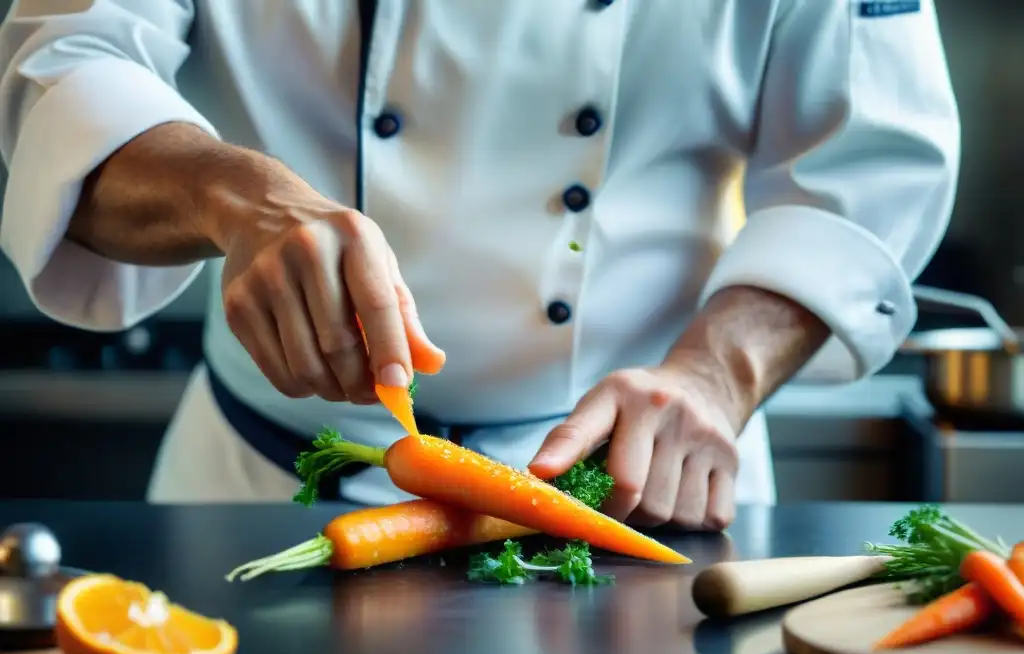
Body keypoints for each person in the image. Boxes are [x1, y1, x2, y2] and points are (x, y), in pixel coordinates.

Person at [0, 1, 959, 530]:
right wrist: (233, 195)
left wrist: (717, 372)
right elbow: (63, 66)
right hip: (263, 494)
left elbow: (871, 163)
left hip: (639, 493)